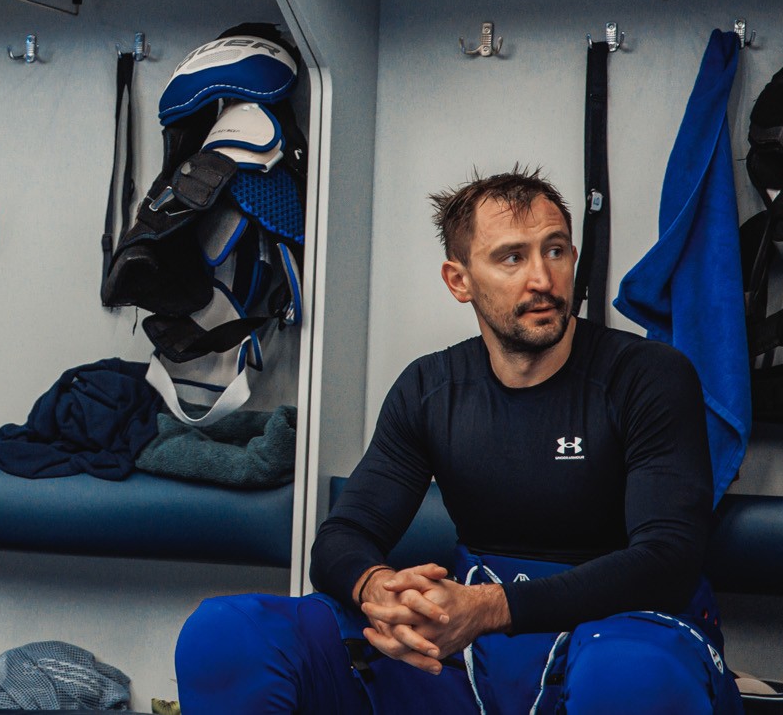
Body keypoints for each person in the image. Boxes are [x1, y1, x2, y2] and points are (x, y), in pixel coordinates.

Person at [174, 168, 739, 714]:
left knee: (627, 676)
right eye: (512, 257)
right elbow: (343, 537)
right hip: (471, 649)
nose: (542, 279)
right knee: (224, 634)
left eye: (555, 251)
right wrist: (379, 589)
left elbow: (667, 561)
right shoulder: (430, 388)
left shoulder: (647, 376)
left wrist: (488, 607)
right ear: (459, 280)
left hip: (621, 634)